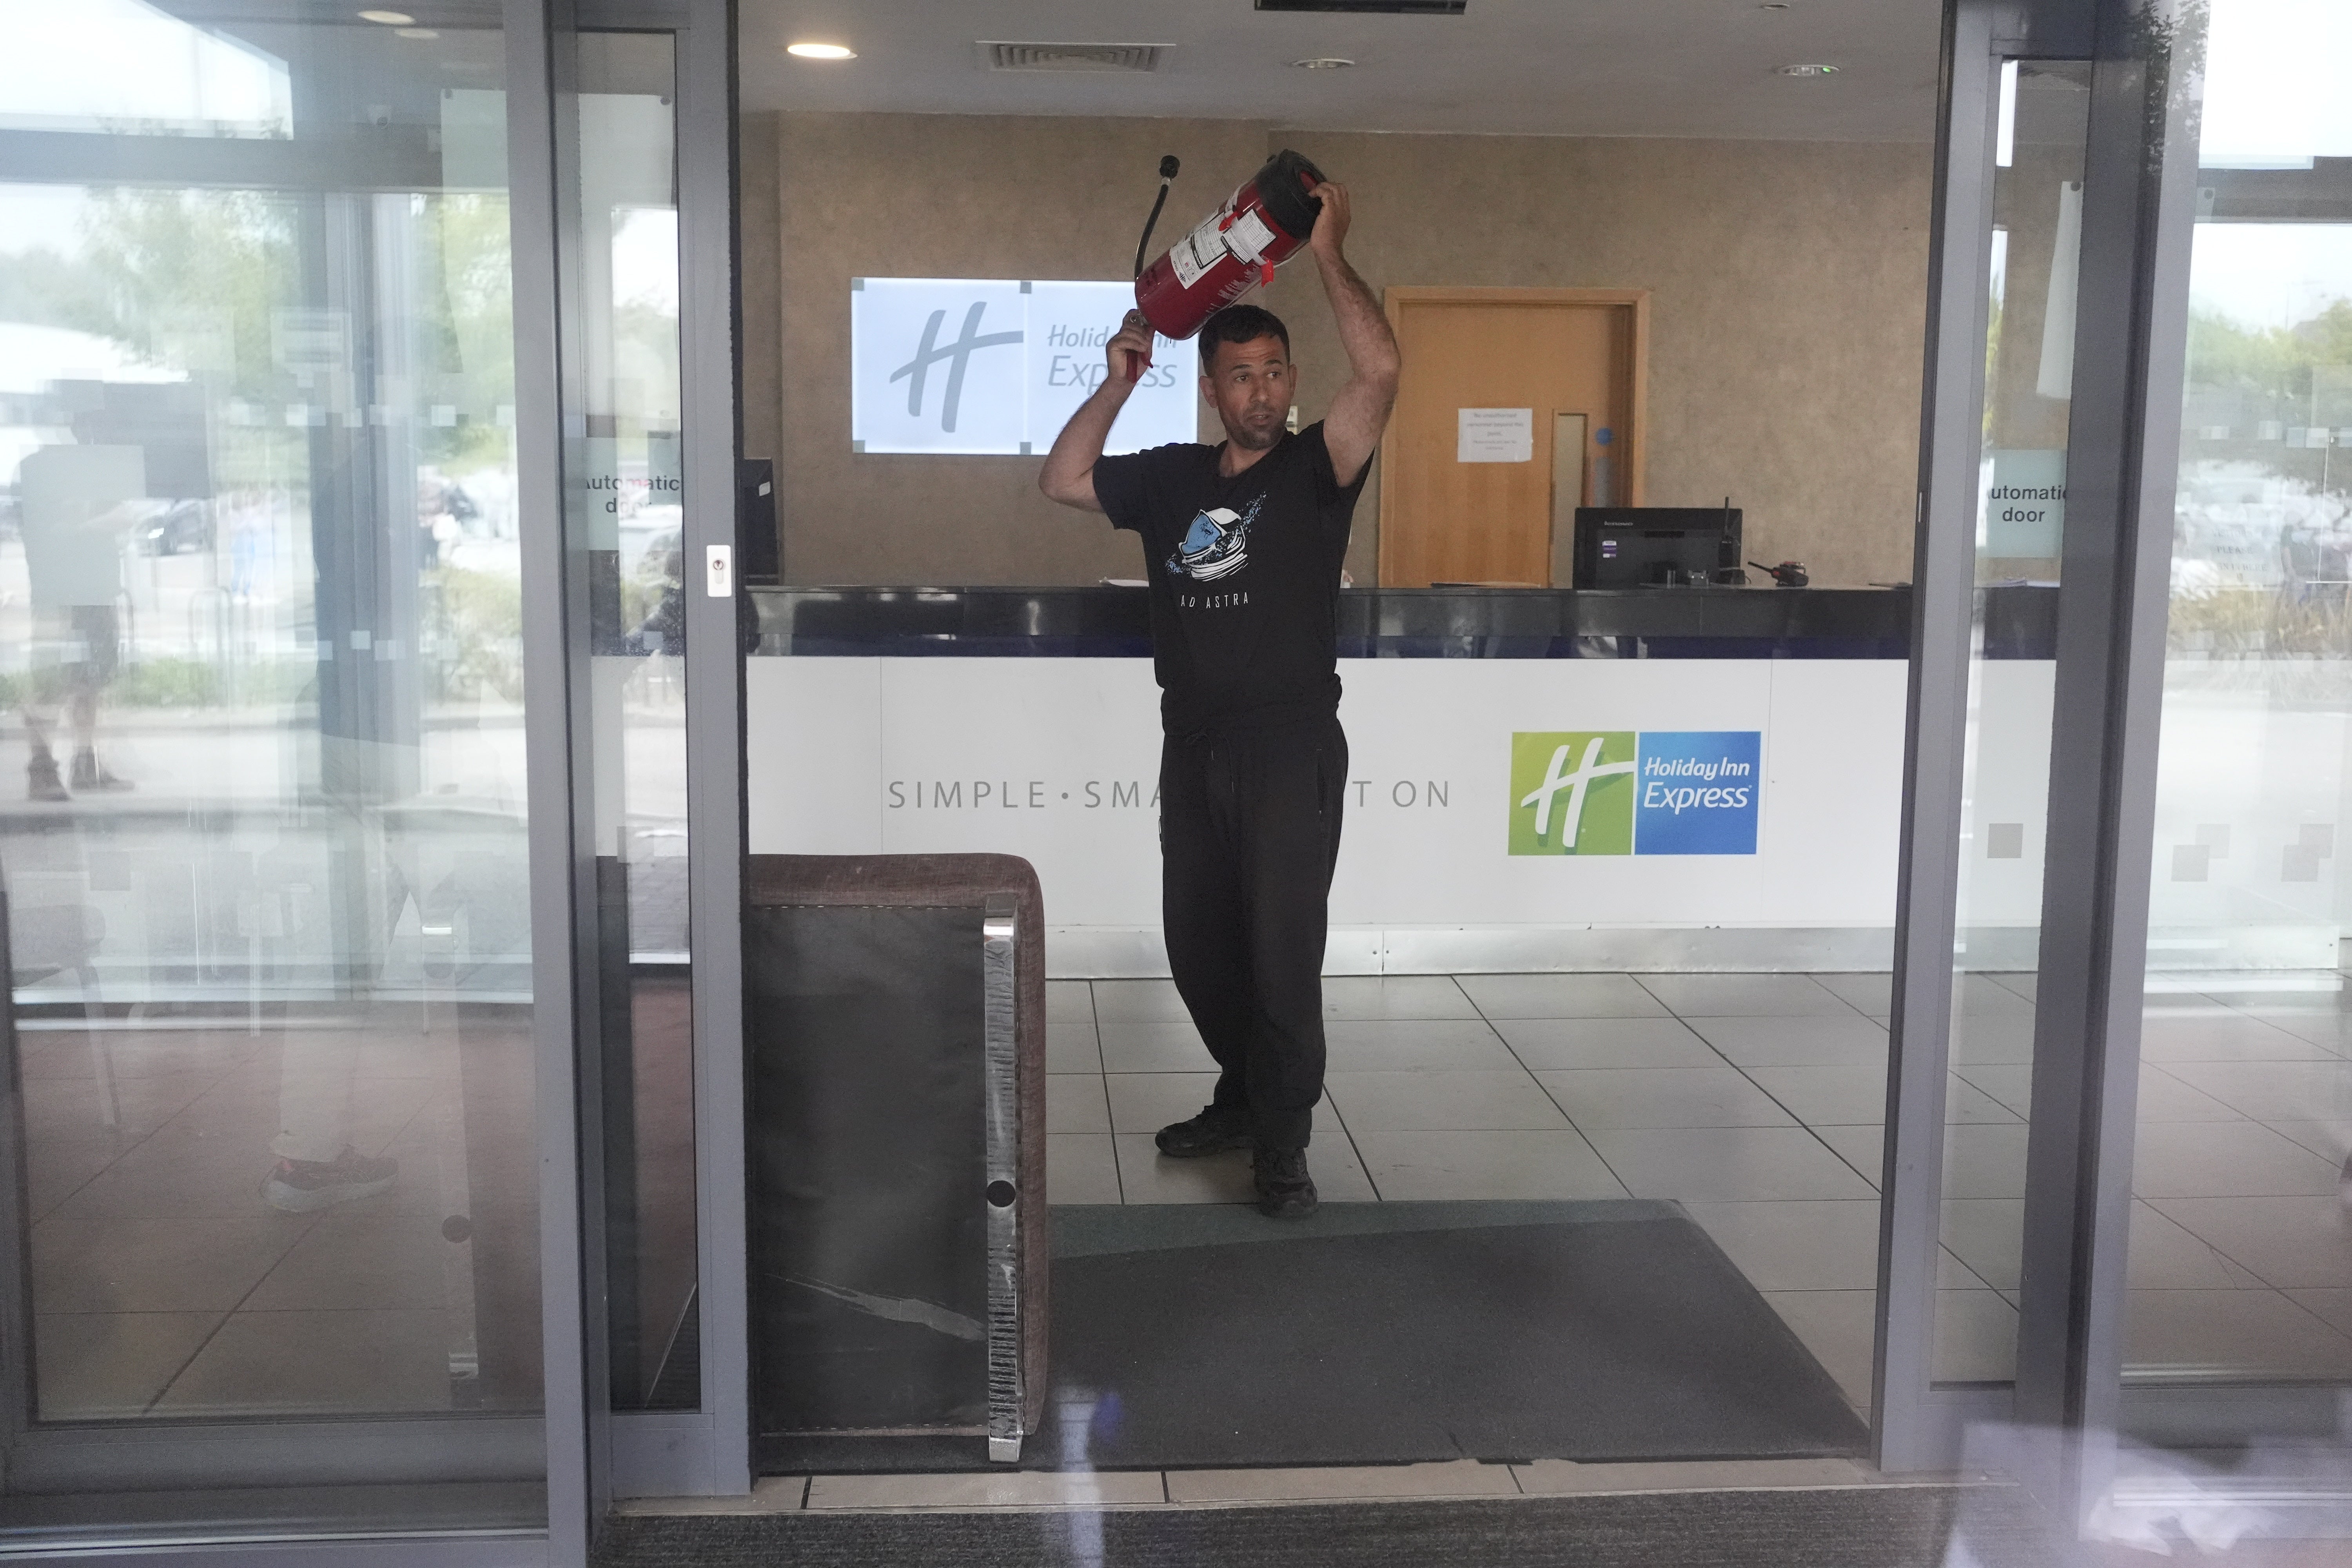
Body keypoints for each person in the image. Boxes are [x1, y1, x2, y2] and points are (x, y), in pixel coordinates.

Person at [1038, 180, 1400, 1218]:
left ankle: (1282, 1145)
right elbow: (1064, 480)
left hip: (1289, 749)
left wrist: (1328, 252)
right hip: (1192, 747)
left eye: (1275, 371)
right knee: (1201, 949)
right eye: (1241, 374)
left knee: (1284, 955)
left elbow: (1380, 371)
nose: (1261, 390)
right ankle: (1243, 1097)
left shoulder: (1317, 468)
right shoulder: (1168, 479)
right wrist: (1117, 381)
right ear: (1210, 387)